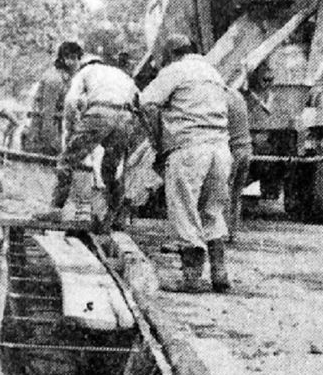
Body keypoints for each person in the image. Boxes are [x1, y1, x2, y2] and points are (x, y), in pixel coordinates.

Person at [140, 34, 232, 293]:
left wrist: (159, 140)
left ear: (170, 54)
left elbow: (146, 104)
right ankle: (219, 273)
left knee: (184, 208)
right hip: (220, 149)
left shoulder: (175, 71)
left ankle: (191, 278)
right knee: (212, 210)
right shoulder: (213, 73)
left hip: (189, 148)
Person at [51, 50, 139, 230]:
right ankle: (114, 217)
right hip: (126, 115)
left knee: (66, 162)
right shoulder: (121, 75)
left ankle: (56, 209)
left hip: (100, 112)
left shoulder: (85, 72)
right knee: (111, 168)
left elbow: (71, 101)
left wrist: (71, 135)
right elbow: (140, 101)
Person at [23, 41, 83, 156]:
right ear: (65, 59)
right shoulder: (54, 79)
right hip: (40, 134)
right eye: (74, 58)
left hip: (55, 130)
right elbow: (47, 113)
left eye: (78, 59)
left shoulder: (67, 79)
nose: (77, 63)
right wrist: (50, 145)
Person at [226, 87, 252, 243]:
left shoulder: (221, 98)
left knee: (223, 194)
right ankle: (233, 232)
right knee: (236, 195)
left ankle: (221, 232)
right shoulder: (238, 97)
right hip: (246, 150)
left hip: (233, 150)